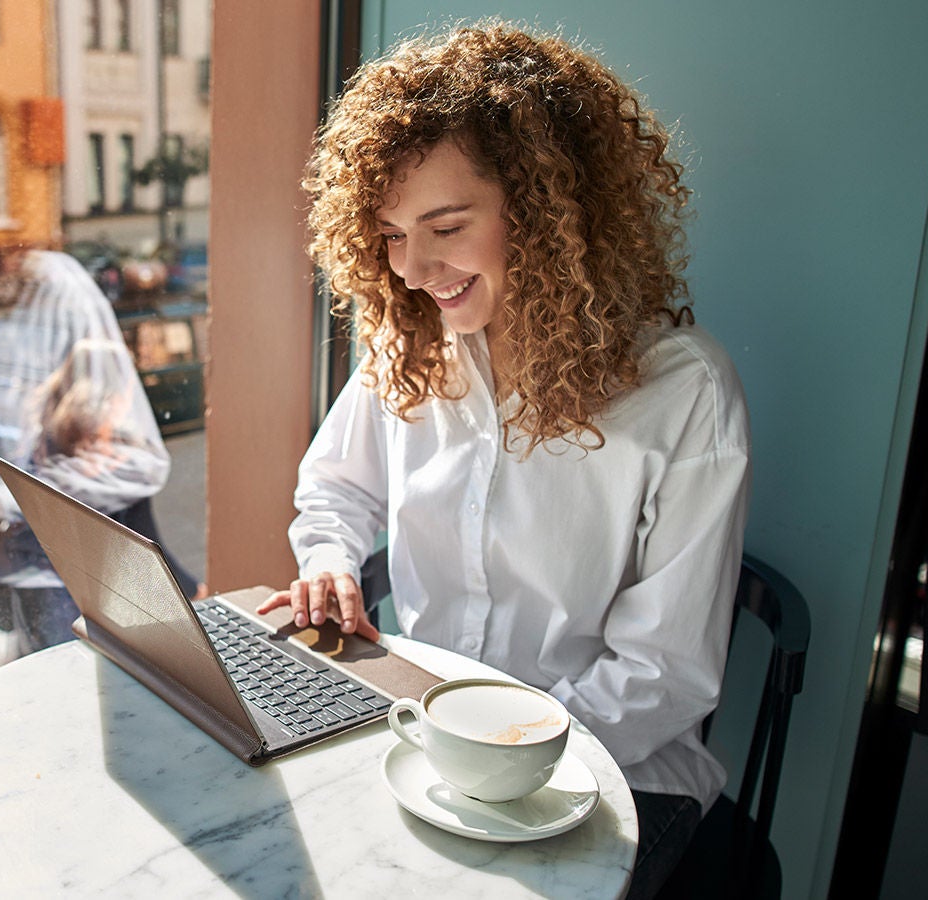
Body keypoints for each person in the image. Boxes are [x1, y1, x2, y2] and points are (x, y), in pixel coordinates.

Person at [255, 23, 750, 899]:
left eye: (446, 226)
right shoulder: (412, 351)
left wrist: (499, 748)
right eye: (392, 234)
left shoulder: (684, 393)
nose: (412, 269)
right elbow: (334, 488)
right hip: (430, 737)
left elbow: (666, 674)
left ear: (550, 210)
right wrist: (328, 561)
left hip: (615, 772)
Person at [0, 249, 191, 685]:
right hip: (72, 610)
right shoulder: (57, 417)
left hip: (85, 614)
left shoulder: (94, 439)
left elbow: (132, 501)